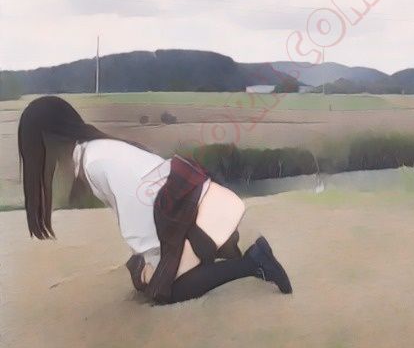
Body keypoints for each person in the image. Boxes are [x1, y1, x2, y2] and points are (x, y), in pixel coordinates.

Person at [17, 96, 292, 303]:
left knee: (165, 290)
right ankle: (217, 248)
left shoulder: (95, 161)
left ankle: (253, 262)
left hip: (192, 210)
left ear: (47, 142)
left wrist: (157, 263)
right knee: (141, 274)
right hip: (187, 209)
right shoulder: (94, 153)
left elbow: (137, 211)